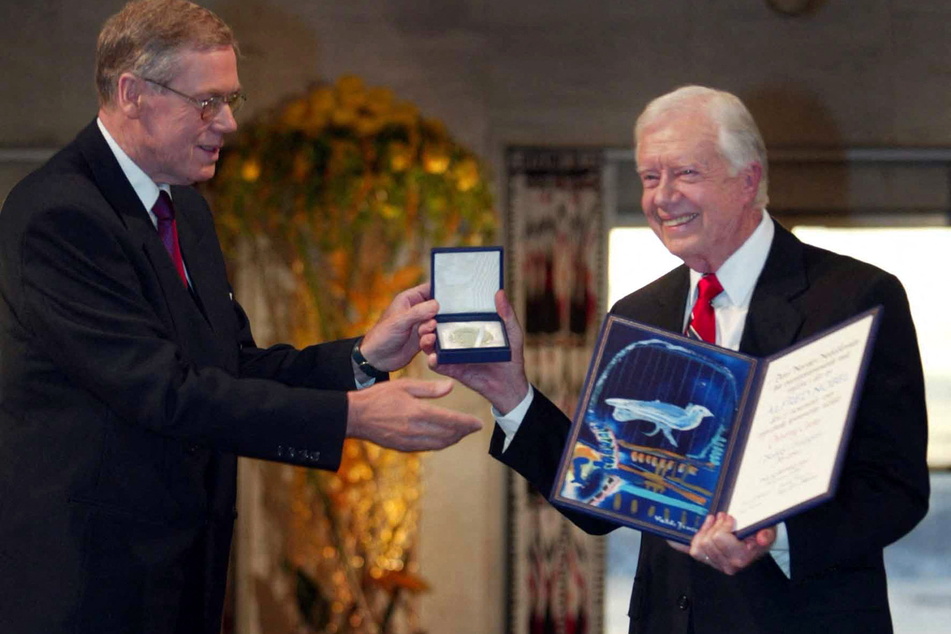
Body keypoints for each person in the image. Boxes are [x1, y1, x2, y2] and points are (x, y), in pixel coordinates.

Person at [0, 1, 482, 632]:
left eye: (231, 99)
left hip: (186, 575)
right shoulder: (57, 215)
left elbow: (233, 367)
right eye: (207, 102)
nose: (227, 122)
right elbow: (164, 393)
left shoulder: (188, 211)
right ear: (132, 93)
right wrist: (351, 417)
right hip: (87, 584)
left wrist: (364, 358)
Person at [421, 85, 930, 633]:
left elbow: (895, 488)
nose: (663, 197)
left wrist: (774, 539)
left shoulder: (855, 297)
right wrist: (510, 394)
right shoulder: (640, 312)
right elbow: (599, 499)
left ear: (749, 179)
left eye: (686, 173)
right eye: (648, 178)